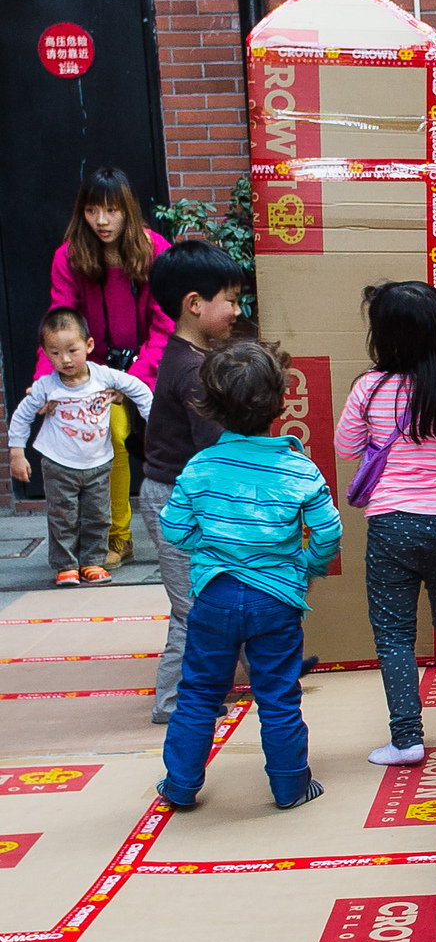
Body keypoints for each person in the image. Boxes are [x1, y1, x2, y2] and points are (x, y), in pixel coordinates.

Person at [157, 339, 339, 811]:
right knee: (278, 694)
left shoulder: (199, 467)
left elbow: (173, 528)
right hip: (276, 599)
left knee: (197, 691)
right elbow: (328, 532)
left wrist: (211, 550)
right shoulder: (299, 467)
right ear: (280, 402)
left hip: (214, 595)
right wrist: (306, 566)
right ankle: (290, 786)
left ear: (211, 406)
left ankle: (179, 785)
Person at [335, 281, 436, 767]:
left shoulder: (371, 388)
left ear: (384, 337)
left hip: (390, 526)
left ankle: (406, 738)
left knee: (392, 634)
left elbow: (346, 448)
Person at [41, 167, 175, 569]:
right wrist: (46, 384)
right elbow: (60, 322)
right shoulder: (69, 256)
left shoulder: (155, 250)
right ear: (82, 212)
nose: (102, 221)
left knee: (175, 440)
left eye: (112, 210)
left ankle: (189, 532)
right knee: (111, 437)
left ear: (127, 210)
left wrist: (134, 379)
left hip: (151, 366)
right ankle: (118, 537)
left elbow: (165, 322)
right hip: (94, 371)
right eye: (93, 210)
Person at [137, 241, 245, 724]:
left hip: (187, 495)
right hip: (176, 502)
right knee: (192, 607)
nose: (238, 312)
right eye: (232, 300)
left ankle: (244, 674)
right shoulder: (194, 370)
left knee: (220, 588)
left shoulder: (189, 354)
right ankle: (173, 703)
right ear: (195, 304)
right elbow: (214, 448)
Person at [8, 308, 156, 585]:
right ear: (45, 352)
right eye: (54, 353)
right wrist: (17, 453)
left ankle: (92, 562)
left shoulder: (104, 377)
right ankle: (66, 564)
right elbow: (22, 415)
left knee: (98, 515)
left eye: (72, 351)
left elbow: (139, 389)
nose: (65, 360)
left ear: (89, 346)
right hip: (58, 463)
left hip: (98, 463)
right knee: (62, 517)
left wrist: (154, 422)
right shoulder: (46, 386)